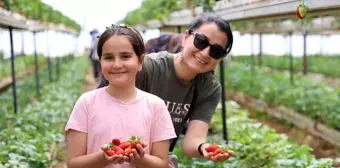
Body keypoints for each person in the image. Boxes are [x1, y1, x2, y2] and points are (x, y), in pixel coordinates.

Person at [99, 15, 235, 166]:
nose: (205, 53)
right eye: (201, 41)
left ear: (221, 58)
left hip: (157, 158)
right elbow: (106, 118)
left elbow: (191, 142)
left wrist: (204, 147)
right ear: (185, 38)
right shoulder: (148, 69)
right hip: (118, 154)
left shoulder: (208, 88)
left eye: (216, 51)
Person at [65, 24, 177, 168]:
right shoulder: (87, 102)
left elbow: (162, 163)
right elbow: (73, 163)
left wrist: (139, 159)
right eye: (109, 57)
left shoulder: (156, 106)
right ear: (100, 62)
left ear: (140, 62)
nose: (117, 65)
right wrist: (103, 157)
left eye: (125, 56)